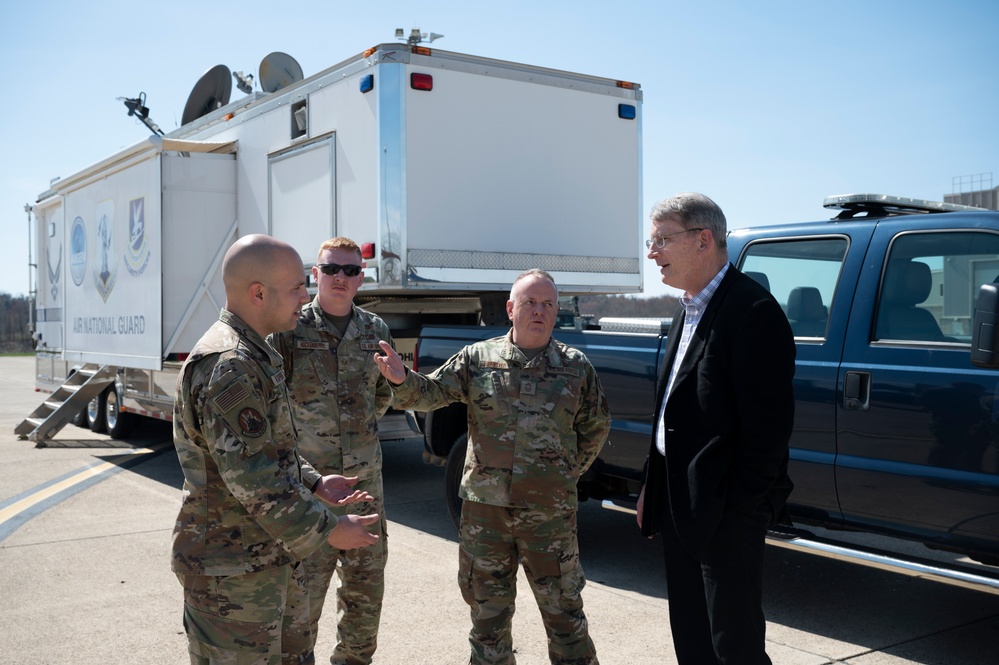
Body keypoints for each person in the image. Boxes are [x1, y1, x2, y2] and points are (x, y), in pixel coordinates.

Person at [374, 269, 611, 665]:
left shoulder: (576, 368)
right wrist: (402, 379)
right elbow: (432, 393)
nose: (539, 311)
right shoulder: (478, 359)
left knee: (565, 615)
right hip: (486, 515)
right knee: (487, 619)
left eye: (548, 304)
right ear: (510, 309)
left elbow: (596, 426)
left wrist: (562, 474)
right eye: (530, 303)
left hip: (548, 518)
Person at [171, 234, 380, 665]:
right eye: (296, 287)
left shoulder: (256, 353)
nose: (306, 296)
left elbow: (271, 450)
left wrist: (315, 481)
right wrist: (330, 529)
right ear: (258, 293)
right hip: (231, 572)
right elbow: (254, 478)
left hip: (269, 557)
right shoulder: (230, 365)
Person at [636, 193, 795, 664]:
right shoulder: (686, 309)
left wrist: (739, 510)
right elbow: (671, 409)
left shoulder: (752, 312)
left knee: (734, 646)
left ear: (704, 239)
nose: (652, 253)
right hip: (678, 504)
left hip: (725, 512)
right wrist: (654, 483)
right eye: (652, 240)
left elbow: (767, 433)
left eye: (663, 239)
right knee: (692, 638)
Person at [271, 237, 393, 665]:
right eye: (331, 269)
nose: (341, 278)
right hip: (310, 490)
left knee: (364, 602)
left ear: (361, 278)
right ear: (315, 273)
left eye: (351, 270)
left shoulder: (375, 330)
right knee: (300, 606)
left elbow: (379, 398)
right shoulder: (289, 329)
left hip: (364, 487)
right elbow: (275, 408)